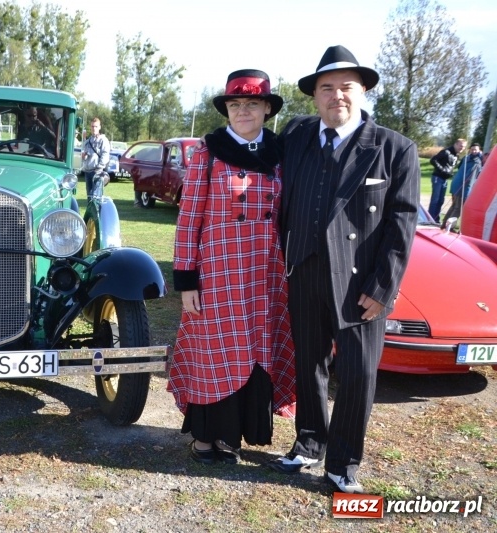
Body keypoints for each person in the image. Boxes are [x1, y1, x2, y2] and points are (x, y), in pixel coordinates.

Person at [270, 46, 419, 494]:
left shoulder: (395, 148)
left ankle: (343, 463)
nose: (337, 95)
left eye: (346, 87)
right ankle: (309, 442)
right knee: (309, 364)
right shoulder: (297, 136)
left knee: (358, 373)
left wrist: (384, 287)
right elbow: (249, 141)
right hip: (305, 271)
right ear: (314, 96)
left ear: (363, 91)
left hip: (361, 282)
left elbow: (402, 223)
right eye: (326, 87)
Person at [167, 69, 296, 465]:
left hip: (265, 274)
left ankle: (237, 435)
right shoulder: (208, 153)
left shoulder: (280, 154)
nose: (243, 111)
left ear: (266, 109)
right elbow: (189, 219)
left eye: (252, 103)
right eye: (236, 104)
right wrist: (187, 280)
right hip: (218, 273)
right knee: (217, 352)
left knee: (255, 349)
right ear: (226, 110)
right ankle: (206, 438)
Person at [441, 143, 483, 229]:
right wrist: (467, 191)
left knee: (454, 206)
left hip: (455, 184)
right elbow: (470, 178)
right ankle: (449, 227)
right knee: (458, 208)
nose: (474, 151)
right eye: (472, 149)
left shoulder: (466, 158)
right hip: (462, 186)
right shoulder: (477, 162)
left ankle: (444, 224)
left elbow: (459, 167)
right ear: (470, 150)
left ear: (479, 150)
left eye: (475, 150)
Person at [428, 138, 466, 222]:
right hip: (438, 177)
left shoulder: (456, 156)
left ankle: (436, 219)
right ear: (455, 144)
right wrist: (443, 170)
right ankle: (430, 219)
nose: (462, 148)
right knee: (435, 200)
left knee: (441, 200)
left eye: (463, 147)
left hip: (444, 179)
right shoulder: (446, 152)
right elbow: (433, 160)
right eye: (460, 146)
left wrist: (449, 173)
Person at [80, 117, 111, 198]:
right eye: (92, 126)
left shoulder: (103, 140)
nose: (94, 128)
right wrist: (84, 157)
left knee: (96, 197)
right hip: (87, 171)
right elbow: (84, 156)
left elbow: (105, 155)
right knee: (89, 197)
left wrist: (99, 168)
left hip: (97, 172)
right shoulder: (88, 141)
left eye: (96, 126)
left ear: (99, 127)